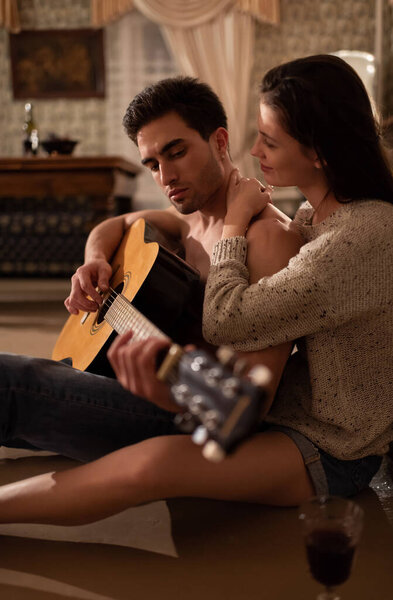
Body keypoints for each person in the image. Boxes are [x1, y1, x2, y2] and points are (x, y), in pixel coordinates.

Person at [0, 76, 300, 525]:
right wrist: (94, 262)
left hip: (179, 418)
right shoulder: (191, 221)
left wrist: (165, 390)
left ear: (220, 141)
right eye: (152, 164)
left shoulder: (268, 238)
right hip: (134, 381)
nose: (166, 177)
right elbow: (115, 224)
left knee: (10, 382)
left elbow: (251, 404)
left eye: (176, 153)